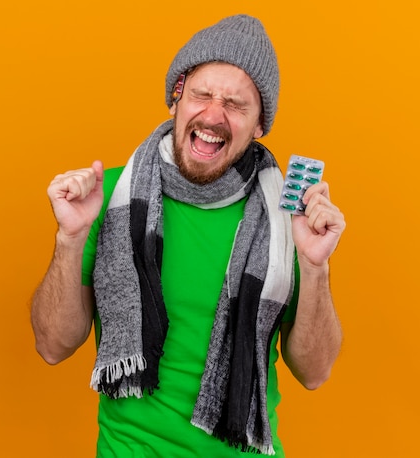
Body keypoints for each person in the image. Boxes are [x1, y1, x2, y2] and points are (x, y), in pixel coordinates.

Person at [31, 14, 345, 457]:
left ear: (259, 126)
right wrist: (69, 239)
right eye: (202, 94)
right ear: (176, 98)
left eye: (236, 105)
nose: (213, 116)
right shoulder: (109, 198)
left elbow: (314, 373)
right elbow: (52, 345)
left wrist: (314, 267)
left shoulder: (286, 222)